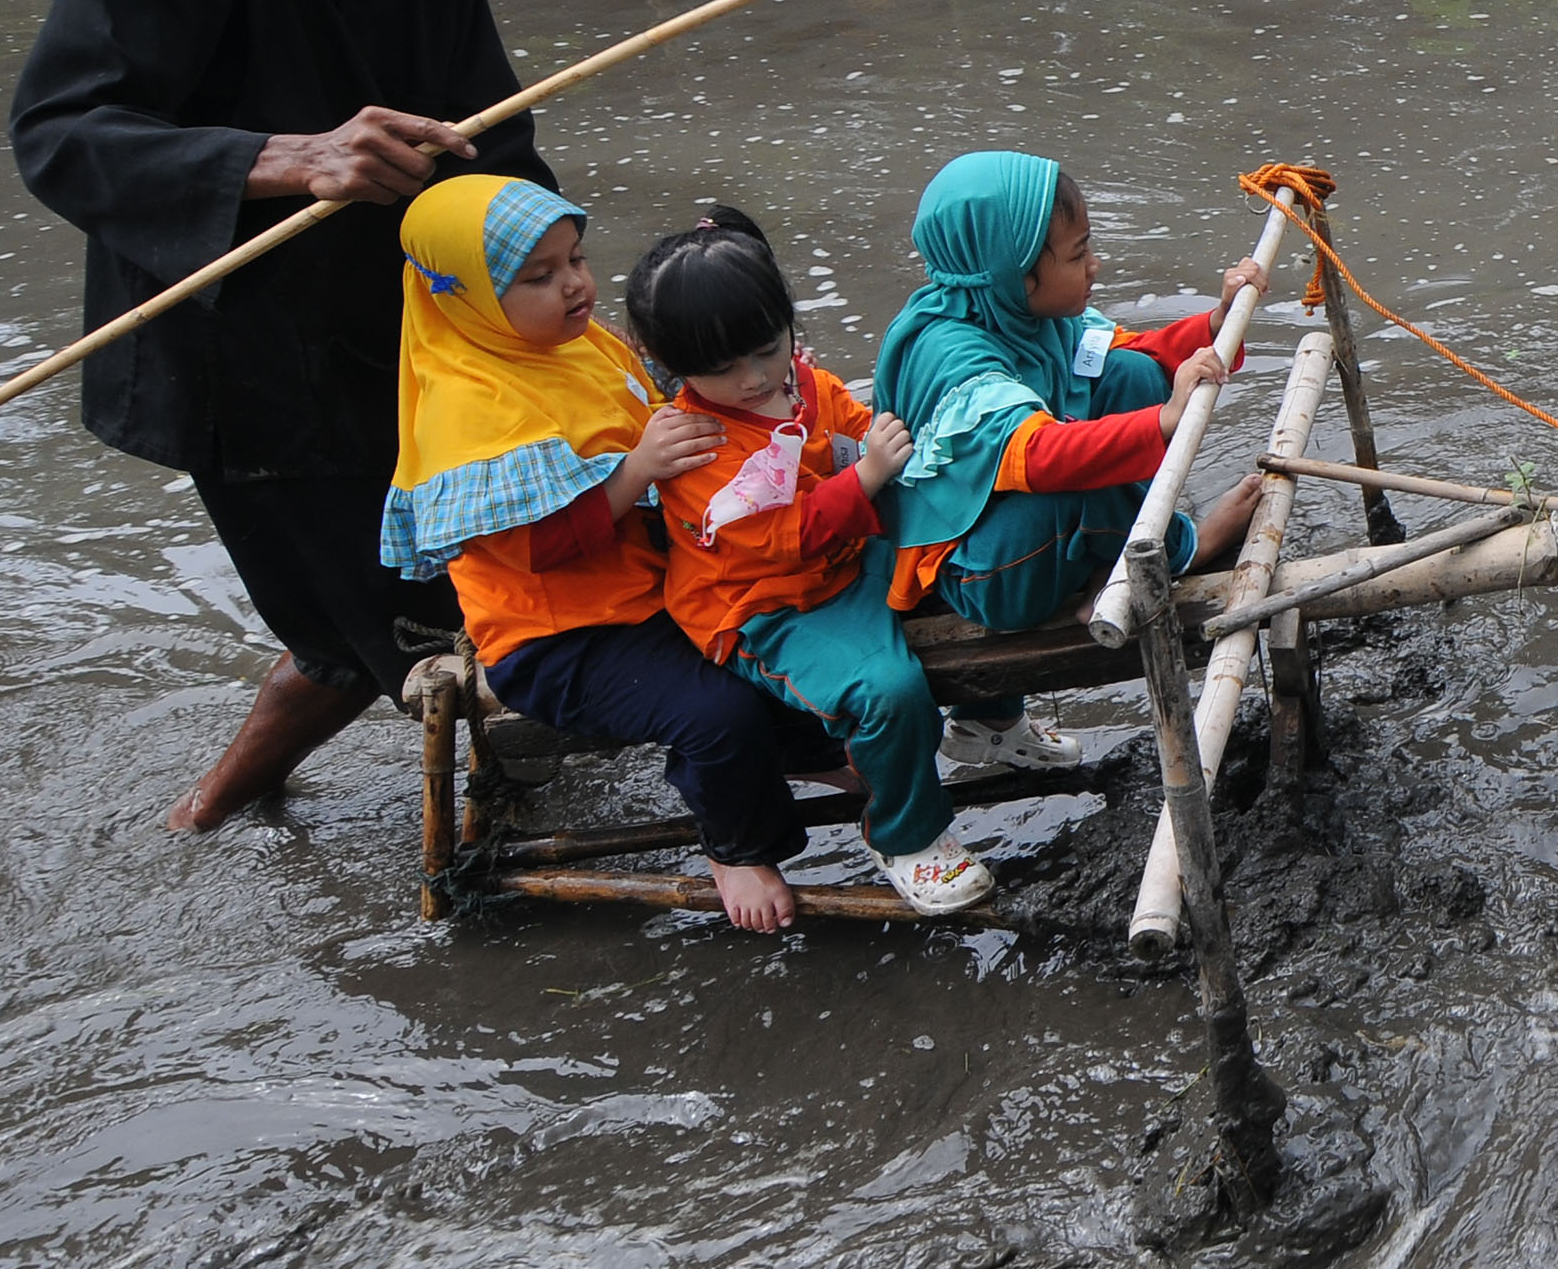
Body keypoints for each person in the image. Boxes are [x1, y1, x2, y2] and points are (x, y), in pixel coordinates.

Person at [13, 0, 559, 832]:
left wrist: (551, 276)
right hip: (239, 355)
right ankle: (439, 824)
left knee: (383, 606)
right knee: (402, 615)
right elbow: (61, 134)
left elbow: (495, 136)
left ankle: (207, 815)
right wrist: (289, 157)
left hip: (400, 329)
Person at [383, 177, 852, 933]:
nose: (574, 284)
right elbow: (536, 548)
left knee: (771, 632)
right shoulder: (469, 406)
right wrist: (636, 471)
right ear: (465, 298)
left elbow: (665, 391)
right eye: (539, 276)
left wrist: (758, 382)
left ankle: (812, 751)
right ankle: (736, 845)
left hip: (647, 585)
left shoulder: (580, 344)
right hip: (560, 637)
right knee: (716, 711)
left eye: (575, 258)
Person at [631, 210, 993, 918]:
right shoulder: (696, 444)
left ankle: (994, 723)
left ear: (786, 325)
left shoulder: (799, 379)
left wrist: (897, 437)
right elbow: (781, 538)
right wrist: (869, 475)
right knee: (888, 691)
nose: (753, 378)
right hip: (768, 603)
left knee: (980, 557)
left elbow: (850, 424)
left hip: (845, 555)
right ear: (674, 366)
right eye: (722, 369)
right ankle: (908, 838)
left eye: (767, 350)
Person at [870, 153, 1264, 775]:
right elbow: (1037, 456)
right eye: (1078, 255)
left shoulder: (1025, 315)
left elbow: (1140, 353)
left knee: (1131, 375)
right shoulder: (947, 350)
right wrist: (1164, 421)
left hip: (1013, 526)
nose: (1094, 266)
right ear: (1014, 270)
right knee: (1081, 487)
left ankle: (1104, 569)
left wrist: (1219, 321)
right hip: (979, 570)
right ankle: (1182, 547)